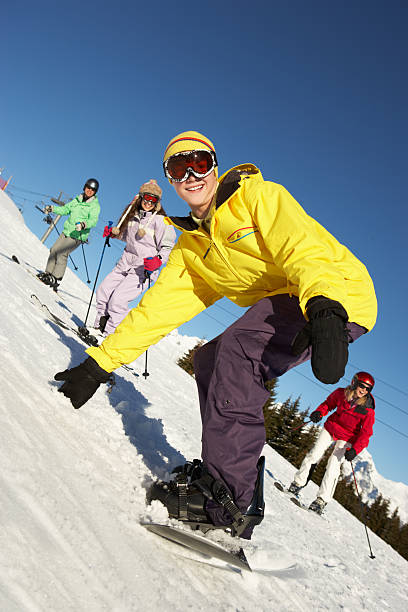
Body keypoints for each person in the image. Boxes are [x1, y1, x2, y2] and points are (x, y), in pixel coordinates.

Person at [53, 131, 377, 539]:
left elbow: (304, 249)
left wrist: (327, 308)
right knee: (210, 359)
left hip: (334, 293)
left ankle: (230, 504)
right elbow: (157, 311)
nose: (190, 175)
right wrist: (101, 363)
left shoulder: (257, 198)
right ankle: (221, 475)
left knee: (239, 352)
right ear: (170, 180)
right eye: (177, 167)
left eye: (199, 163)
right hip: (296, 298)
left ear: (215, 165)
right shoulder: (193, 248)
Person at [93, 180, 176, 336]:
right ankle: (99, 326)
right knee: (103, 291)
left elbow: (167, 247)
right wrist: (113, 233)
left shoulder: (161, 221)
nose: (149, 202)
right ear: (141, 198)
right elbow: (128, 238)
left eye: (153, 200)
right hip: (125, 262)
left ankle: (110, 336)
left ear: (157, 203)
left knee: (118, 300)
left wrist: (158, 260)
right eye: (146, 198)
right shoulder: (133, 217)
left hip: (143, 269)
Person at [287, 371, 376, 514]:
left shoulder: (368, 410)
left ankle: (321, 500)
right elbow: (328, 404)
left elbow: (366, 434)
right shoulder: (342, 393)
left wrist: (355, 450)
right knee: (314, 454)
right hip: (331, 427)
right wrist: (319, 412)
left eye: (367, 389)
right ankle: (298, 483)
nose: (364, 390)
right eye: (362, 386)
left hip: (347, 438)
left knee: (333, 466)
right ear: (354, 383)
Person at [37, 178, 101, 291]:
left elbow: (93, 221)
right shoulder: (76, 200)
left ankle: (56, 277)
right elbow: (65, 209)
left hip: (78, 235)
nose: (89, 191)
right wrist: (52, 208)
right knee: (54, 249)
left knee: (62, 253)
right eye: (88, 188)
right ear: (84, 187)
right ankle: (48, 273)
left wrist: (83, 224)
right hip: (67, 231)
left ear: (95, 192)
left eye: (92, 190)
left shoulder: (95, 206)